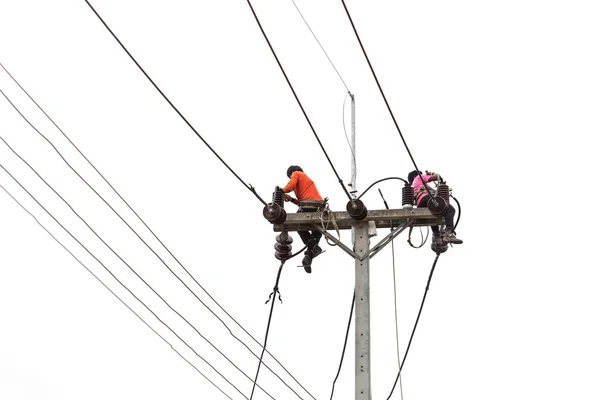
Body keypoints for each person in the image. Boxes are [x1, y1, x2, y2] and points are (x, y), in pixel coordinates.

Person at [282, 165, 324, 273]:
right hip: (319, 208)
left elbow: (290, 186)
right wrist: (291, 199)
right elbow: (302, 202)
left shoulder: (296, 174)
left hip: (310, 206)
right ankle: (309, 255)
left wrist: (281, 191)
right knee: (317, 232)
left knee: (298, 224)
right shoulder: (306, 180)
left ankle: (313, 246)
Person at [408, 170, 463, 246]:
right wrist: (432, 174)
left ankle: (436, 235)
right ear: (415, 176)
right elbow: (438, 177)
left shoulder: (415, 186)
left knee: (433, 214)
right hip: (426, 197)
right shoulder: (419, 177)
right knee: (450, 210)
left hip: (421, 203)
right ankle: (448, 233)